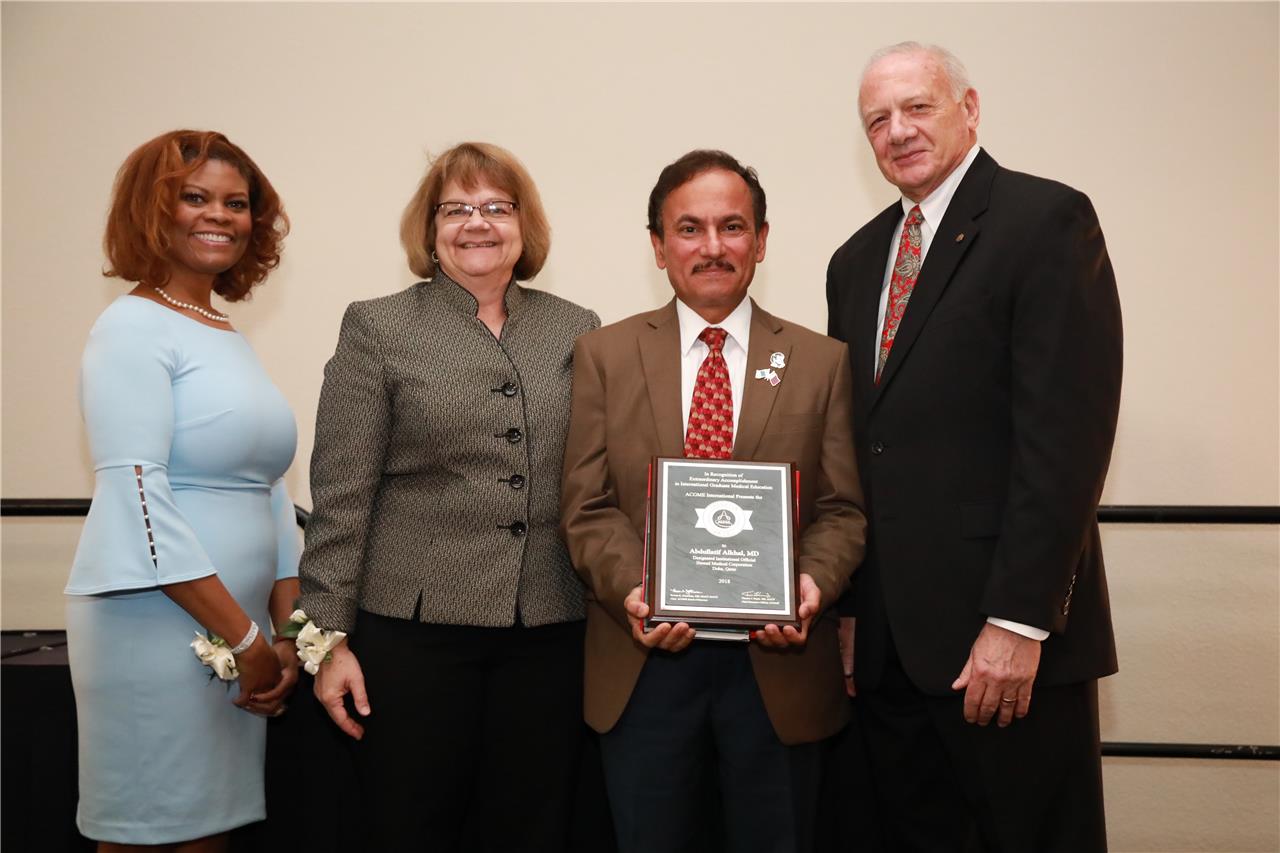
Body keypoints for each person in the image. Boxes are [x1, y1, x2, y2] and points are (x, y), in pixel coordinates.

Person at [826, 42, 1123, 852]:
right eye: (876, 120)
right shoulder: (855, 262)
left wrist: (1020, 619)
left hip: (1006, 645)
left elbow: (1064, 440)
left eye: (917, 107)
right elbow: (859, 449)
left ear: (970, 108)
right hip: (888, 657)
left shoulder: (1045, 221)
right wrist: (852, 614)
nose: (897, 131)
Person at [296, 141, 599, 852]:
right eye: (456, 208)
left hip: (549, 628)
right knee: (411, 824)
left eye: (497, 207)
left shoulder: (576, 326)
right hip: (414, 635)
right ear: (429, 229)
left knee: (534, 826)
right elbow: (341, 493)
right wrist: (327, 640)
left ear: (524, 225)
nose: (477, 223)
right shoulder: (378, 326)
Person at [561, 149, 866, 853]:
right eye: (689, 228)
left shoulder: (822, 361)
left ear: (761, 241)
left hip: (780, 673)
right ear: (658, 246)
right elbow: (585, 506)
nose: (712, 247)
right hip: (643, 666)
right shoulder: (603, 355)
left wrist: (810, 585)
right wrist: (636, 590)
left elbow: (843, 510)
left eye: (732, 227)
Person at [66, 129, 299, 850]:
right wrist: (247, 637)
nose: (219, 215)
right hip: (156, 627)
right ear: (153, 209)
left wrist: (289, 635)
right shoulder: (131, 326)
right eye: (195, 197)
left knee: (207, 832)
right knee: (153, 831)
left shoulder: (220, 330)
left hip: (241, 634)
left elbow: (269, 492)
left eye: (237, 203)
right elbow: (138, 500)